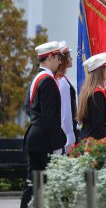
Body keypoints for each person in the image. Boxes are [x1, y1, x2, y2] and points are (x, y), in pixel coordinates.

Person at [21, 41, 66, 208]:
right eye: (58, 58)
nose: (60, 62)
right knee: (38, 185)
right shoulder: (47, 81)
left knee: (34, 184)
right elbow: (49, 118)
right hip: (43, 141)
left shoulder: (37, 78)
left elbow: (29, 108)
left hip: (36, 137)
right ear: (51, 57)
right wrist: (58, 144)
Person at [77, 52, 106, 140]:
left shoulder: (88, 91)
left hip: (88, 139)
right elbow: (98, 125)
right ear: (100, 71)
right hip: (94, 142)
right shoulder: (97, 94)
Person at [55, 41, 79, 154]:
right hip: (65, 136)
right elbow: (65, 113)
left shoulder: (59, 79)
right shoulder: (62, 82)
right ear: (63, 60)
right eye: (69, 56)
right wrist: (70, 137)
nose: (72, 59)